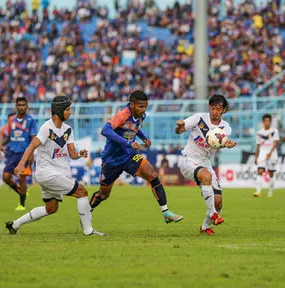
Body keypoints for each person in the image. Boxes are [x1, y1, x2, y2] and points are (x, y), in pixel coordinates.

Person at [5, 96, 106, 236]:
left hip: (53, 174)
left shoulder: (68, 130)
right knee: (82, 192)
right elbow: (32, 146)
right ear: (59, 111)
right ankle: (88, 231)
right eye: (68, 109)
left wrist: (79, 154)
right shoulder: (46, 128)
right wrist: (21, 164)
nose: (70, 112)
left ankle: (15, 225)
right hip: (48, 173)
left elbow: (72, 154)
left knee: (51, 208)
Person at [89, 90, 183, 224]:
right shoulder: (122, 114)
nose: (143, 109)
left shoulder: (141, 115)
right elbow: (106, 130)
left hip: (129, 156)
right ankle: (87, 211)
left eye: (145, 106)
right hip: (112, 160)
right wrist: (127, 142)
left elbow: (134, 128)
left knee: (152, 175)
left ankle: (166, 212)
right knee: (104, 194)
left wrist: (144, 138)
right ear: (132, 104)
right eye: (140, 106)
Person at [175, 94, 237, 236]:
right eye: (213, 108)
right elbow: (179, 130)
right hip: (188, 159)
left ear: (224, 110)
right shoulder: (199, 118)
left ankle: (205, 227)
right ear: (209, 107)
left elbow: (222, 141)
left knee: (219, 201)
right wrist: (179, 127)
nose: (215, 112)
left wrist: (227, 144)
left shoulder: (225, 127)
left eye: (219, 109)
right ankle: (214, 214)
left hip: (205, 163)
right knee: (206, 176)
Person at [0, 97, 37, 211]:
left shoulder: (31, 121)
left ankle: (21, 204)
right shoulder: (11, 120)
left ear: (27, 106)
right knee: (6, 177)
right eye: (19, 105)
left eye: (23, 105)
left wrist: (31, 153)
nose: (21, 107)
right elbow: (9, 135)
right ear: (16, 106)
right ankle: (20, 191)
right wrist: (2, 144)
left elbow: (33, 138)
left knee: (22, 179)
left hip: (24, 154)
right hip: (11, 152)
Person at [254, 114, 279, 198]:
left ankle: (271, 190)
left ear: (270, 122)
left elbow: (275, 142)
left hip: (272, 153)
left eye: (268, 121)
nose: (267, 122)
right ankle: (258, 191)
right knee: (260, 171)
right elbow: (258, 146)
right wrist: (256, 157)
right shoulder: (259, 133)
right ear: (263, 122)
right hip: (262, 153)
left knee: (271, 173)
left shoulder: (274, 131)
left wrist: (270, 152)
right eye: (265, 121)